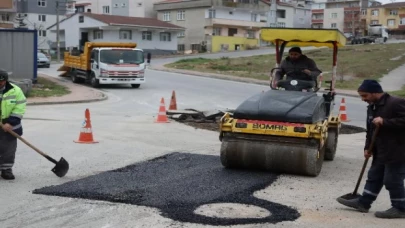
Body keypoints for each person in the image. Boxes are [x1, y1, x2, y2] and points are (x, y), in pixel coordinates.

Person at [337, 79, 405, 219]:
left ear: (375, 93)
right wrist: (368, 148)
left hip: (398, 149)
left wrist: (385, 122)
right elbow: (370, 130)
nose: (363, 99)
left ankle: (400, 208)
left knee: (392, 179)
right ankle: (364, 203)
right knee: (374, 176)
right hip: (380, 149)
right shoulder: (372, 107)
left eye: (365, 96)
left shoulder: (395, 103)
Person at [0, 69, 27, 180]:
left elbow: (19, 108)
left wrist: (10, 123)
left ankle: (6, 170)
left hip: (10, 126)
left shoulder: (16, 91)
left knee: (8, 150)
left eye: (1, 81)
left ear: (6, 80)